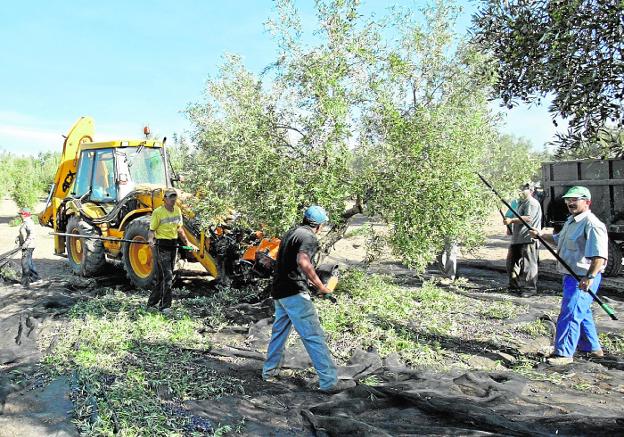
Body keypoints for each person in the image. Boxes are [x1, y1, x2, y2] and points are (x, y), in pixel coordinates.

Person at [262, 205, 354, 393]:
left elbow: (288, 262)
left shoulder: (292, 233)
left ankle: (269, 373)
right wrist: (321, 287)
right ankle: (329, 382)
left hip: (280, 291)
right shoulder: (309, 237)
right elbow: (303, 261)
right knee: (314, 336)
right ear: (319, 226)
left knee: (279, 333)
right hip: (294, 293)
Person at [529, 186, 608, 365]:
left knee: (570, 313)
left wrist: (589, 278)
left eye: (575, 199)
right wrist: (540, 235)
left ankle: (563, 354)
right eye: (568, 200)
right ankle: (592, 348)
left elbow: (599, 257)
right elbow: (558, 240)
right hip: (570, 276)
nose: (570, 203)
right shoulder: (571, 221)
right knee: (582, 312)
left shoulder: (592, 224)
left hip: (583, 277)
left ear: (587, 202)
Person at [147, 188, 190, 314]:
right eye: (170, 197)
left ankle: (151, 304)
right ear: (164, 199)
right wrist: (150, 240)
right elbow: (151, 230)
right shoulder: (158, 212)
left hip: (173, 245)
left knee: (162, 277)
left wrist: (187, 243)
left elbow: (180, 229)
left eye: (174, 197)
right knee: (168, 276)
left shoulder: (177, 210)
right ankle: (165, 306)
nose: (173, 199)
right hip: (162, 246)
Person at [502, 182, 542, 297]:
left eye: (524, 189)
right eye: (520, 189)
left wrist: (511, 221)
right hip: (517, 238)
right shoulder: (519, 202)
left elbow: (528, 218)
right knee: (511, 263)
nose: (521, 191)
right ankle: (513, 286)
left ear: (531, 191)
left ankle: (530, 289)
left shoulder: (532, 203)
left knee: (529, 265)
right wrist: (509, 226)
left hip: (528, 238)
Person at [16, 208, 40, 287]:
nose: (20, 216)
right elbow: (24, 233)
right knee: (29, 262)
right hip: (27, 245)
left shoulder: (28, 222)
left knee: (25, 263)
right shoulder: (25, 222)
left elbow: (32, 234)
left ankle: (25, 283)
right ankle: (36, 279)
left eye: (21, 214)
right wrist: (18, 238)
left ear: (25, 214)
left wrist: (26, 244)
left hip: (28, 246)